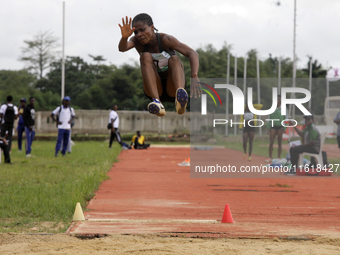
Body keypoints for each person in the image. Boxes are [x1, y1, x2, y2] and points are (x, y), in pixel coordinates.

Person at [118, 14, 201, 117]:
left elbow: (192, 53)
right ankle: (157, 103)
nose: (139, 34)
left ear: (152, 27)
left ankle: (180, 98)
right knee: (145, 56)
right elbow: (122, 48)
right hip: (155, 89)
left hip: (172, 87)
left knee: (175, 59)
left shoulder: (166, 40)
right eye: (136, 32)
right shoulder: (136, 41)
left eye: (142, 30)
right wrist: (124, 37)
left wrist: (194, 75)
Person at [265, 95, 286, 163]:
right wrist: (268, 128)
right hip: (273, 127)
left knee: (279, 143)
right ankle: (270, 157)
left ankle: (278, 157)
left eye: (278, 99)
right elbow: (269, 118)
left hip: (280, 127)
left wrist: (284, 128)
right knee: (271, 142)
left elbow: (286, 119)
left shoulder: (284, 109)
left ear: (281, 101)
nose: (277, 100)